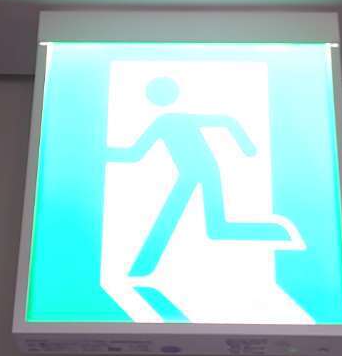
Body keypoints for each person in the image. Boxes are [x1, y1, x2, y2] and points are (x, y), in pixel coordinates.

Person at [107, 76, 291, 279]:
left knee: (207, 224)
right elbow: (135, 153)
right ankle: (142, 266)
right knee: (216, 227)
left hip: (203, 171)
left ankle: (142, 266)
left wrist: (247, 147)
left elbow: (225, 120)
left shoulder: (171, 120)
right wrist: (103, 154)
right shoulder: (164, 122)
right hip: (192, 173)